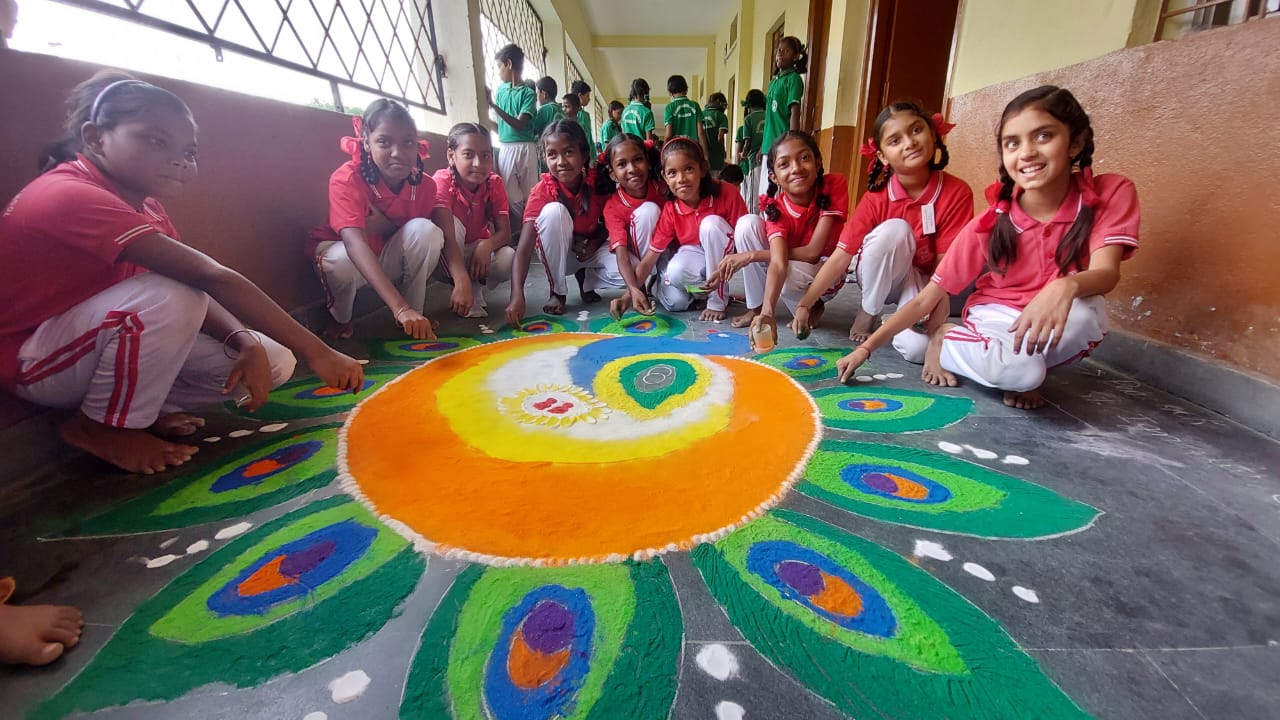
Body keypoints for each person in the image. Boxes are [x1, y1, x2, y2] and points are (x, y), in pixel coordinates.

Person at [0, 71, 364, 474]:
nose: (179, 159)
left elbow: (194, 286)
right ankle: (102, 427)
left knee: (273, 360)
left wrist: (243, 340)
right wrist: (319, 352)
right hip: (33, 361)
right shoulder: (70, 193)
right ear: (95, 137)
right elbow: (207, 278)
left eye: (189, 151)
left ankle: (145, 411)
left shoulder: (147, 206)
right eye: (156, 141)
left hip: (92, 345)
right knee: (172, 296)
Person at [836, 86, 1139, 409]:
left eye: (1043, 136)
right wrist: (865, 349)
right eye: (1013, 143)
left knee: (1088, 313)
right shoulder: (994, 220)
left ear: (1075, 142)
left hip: (1050, 309)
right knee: (1023, 373)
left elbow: (1107, 273)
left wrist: (1065, 286)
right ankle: (950, 342)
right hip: (996, 315)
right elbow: (927, 297)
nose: (1027, 153)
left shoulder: (1109, 191)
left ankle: (1015, 370)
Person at [792, 101, 973, 381]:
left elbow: (944, 270)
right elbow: (840, 258)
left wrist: (934, 321)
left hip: (927, 282)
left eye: (916, 130)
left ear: (932, 134)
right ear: (882, 156)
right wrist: (805, 304)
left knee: (917, 350)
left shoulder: (957, 192)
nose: (909, 143)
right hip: (878, 277)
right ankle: (869, 311)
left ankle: (898, 320)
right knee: (896, 230)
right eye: (895, 140)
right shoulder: (877, 197)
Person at [310, 100, 471, 339]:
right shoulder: (347, 179)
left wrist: (461, 278)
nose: (398, 153)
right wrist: (399, 307)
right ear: (366, 142)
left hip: (386, 254)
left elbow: (436, 231)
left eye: (408, 142)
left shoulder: (425, 185)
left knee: (427, 232)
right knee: (341, 261)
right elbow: (354, 244)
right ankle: (340, 318)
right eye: (384, 142)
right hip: (348, 256)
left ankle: (414, 316)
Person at [731, 131, 847, 337]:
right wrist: (768, 312)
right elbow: (778, 263)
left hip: (829, 270)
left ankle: (814, 303)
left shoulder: (833, 185)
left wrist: (752, 255)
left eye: (804, 158)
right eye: (784, 164)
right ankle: (758, 307)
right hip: (798, 269)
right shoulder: (776, 209)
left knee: (787, 272)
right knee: (747, 224)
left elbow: (813, 252)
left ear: (818, 162)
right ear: (773, 177)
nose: (796, 168)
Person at [633, 137, 761, 321]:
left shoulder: (727, 193)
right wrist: (630, 292)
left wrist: (724, 273)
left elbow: (742, 238)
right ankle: (686, 291)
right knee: (676, 299)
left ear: (703, 168)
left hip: (725, 256)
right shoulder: (672, 208)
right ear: (664, 177)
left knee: (710, 224)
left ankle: (717, 301)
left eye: (688, 169)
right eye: (672, 173)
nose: (681, 179)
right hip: (696, 259)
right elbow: (651, 256)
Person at [505, 119, 612, 322]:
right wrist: (517, 295)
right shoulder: (541, 191)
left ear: (584, 155)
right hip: (559, 257)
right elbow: (524, 248)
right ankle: (557, 290)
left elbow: (611, 222)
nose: (561, 161)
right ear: (544, 158)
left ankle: (587, 280)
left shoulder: (597, 182)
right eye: (552, 154)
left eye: (569, 152)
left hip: (588, 252)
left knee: (625, 269)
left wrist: (595, 242)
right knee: (554, 212)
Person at [431, 123, 516, 318]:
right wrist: (461, 279)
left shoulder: (494, 183)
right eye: (468, 155)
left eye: (485, 155)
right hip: (446, 255)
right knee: (454, 226)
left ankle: (475, 289)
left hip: (476, 251)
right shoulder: (442, 181)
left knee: (508, 257)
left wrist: (486, 245)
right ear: (451, 156)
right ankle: (462, 285)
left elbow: (505, 232)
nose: (478, 163)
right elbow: (448, 238)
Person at [597, 133, 665, 318]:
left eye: (637, 160)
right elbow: (622, 254)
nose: (632, 169)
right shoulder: (612, 206)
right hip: (638, 259)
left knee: (677, 303)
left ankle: (656, 281)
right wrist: (633, 289)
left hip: (664, 252)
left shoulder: (663, 187)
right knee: (649, 210)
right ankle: (642, 286)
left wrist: (627, 295)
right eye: (622, 164)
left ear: (648, 162)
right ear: (612, 173)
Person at [487, 43, 537, 222]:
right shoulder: (501, 91)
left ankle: (532, 228)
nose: (499, 72)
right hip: (506, 146)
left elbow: (519, 124)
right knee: (510, 193)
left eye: (499, 66)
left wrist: (494, 106)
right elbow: (501, 125)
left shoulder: (528, 94)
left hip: (525, 147)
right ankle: (525, 225)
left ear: (508, 64)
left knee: (530, 192)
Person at [759, 36, 807, 197]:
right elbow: (769, 119)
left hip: (782, 144)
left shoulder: (794, 79)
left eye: (785, 51)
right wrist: (762, 147)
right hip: (768, 145)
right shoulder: (773, 82)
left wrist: (793, 142)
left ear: (795, 56)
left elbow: (795, 112)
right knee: (764, 193)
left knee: (778, 193)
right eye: (779, 50)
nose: (780, 54)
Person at [736, 89, 766, 211]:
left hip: (754, 160)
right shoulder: (769, 116)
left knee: (753, 195)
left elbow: (747, 142)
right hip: (770, 158)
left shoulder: (749, 119)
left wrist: (743, 154)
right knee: (766, 193)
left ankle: (752, 219)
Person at [663, 75, 707, 154]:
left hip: (675, 150)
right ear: (686, 89)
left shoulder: (669, 107)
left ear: (670, 92)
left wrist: (663, 152)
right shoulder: (695, 106)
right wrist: (705, 155)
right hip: (693, 149)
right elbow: (701, 133)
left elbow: (668, 135)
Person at [701, 92, 731, 178]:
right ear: (718, 102)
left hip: (702, 158)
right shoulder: (721, 116)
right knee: (716, 183)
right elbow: (720, 138)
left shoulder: (701, 114)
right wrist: (723, 152)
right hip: (716, 159)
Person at [570, 79, 596, 155]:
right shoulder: (580, 115)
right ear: (580, 95)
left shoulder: (584, 115)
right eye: (587, 95)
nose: (589, 99)